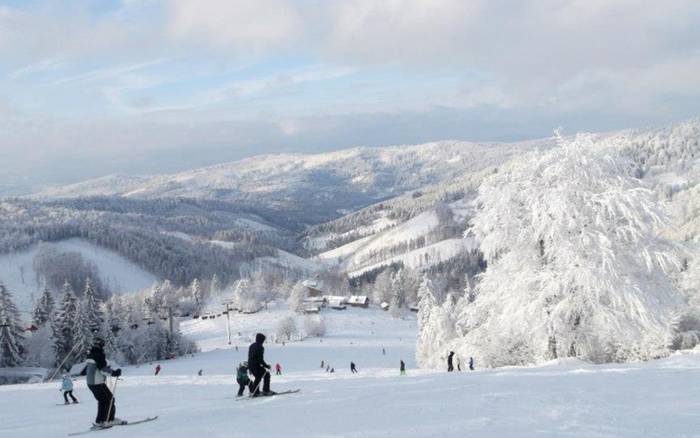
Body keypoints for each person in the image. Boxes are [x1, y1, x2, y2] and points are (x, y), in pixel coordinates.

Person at [84, 337, 124, 429]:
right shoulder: (99, 354)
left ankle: (105, 420)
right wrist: (114, 373)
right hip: (96, 382)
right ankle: (105, 420)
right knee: (107, 400)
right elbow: (102, 369)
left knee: (106, 400)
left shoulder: (91, 353)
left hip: (92, 382)